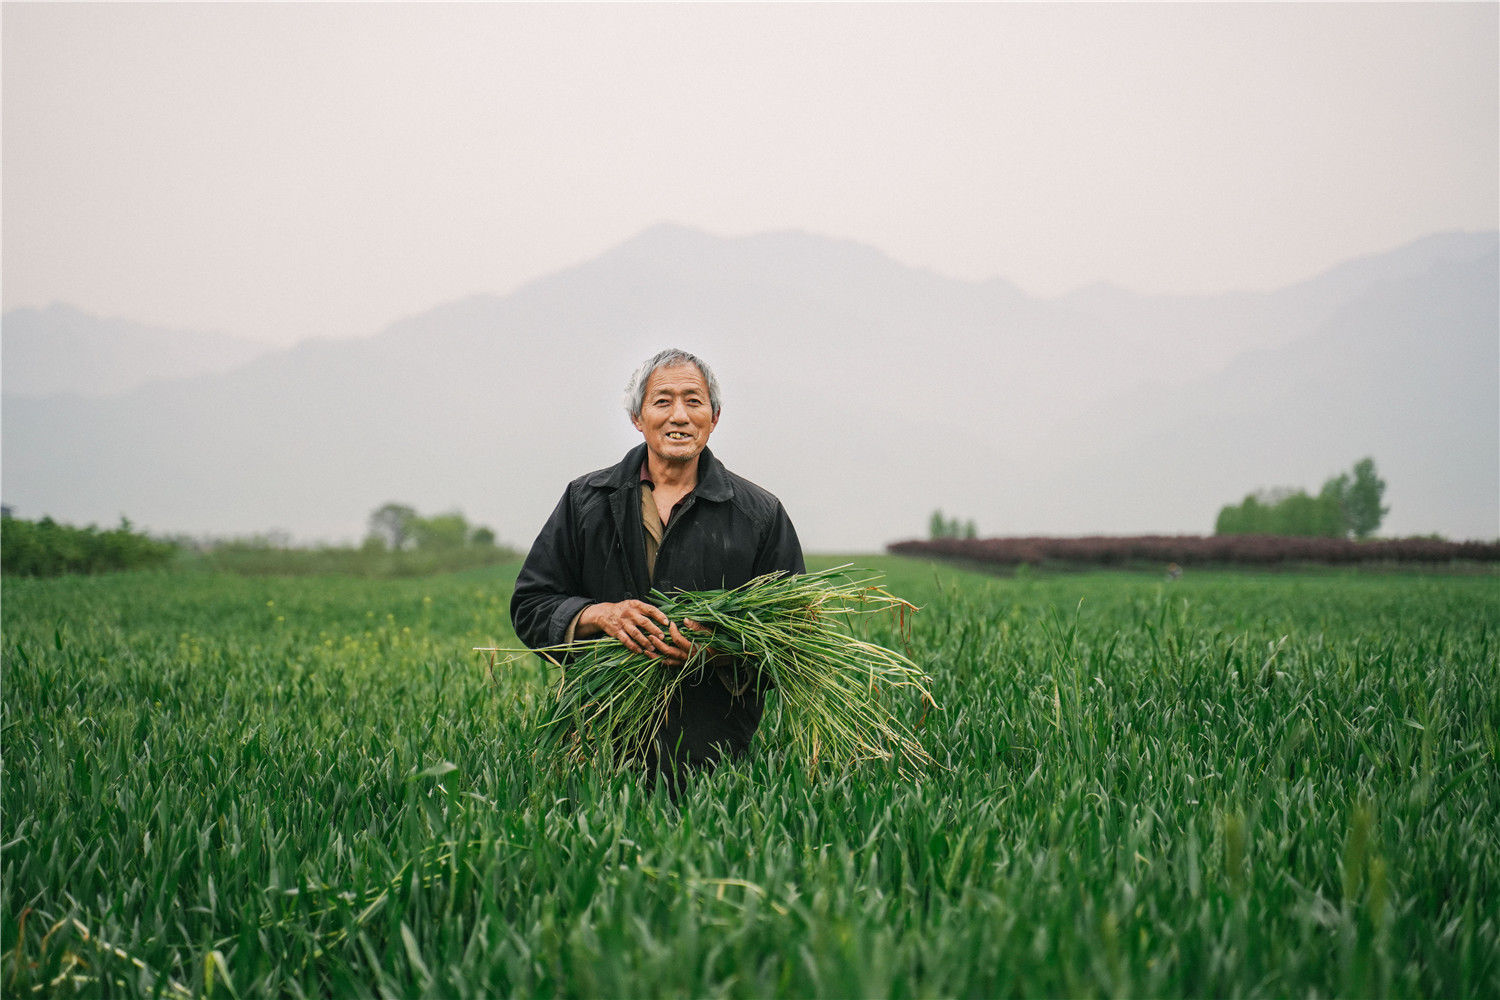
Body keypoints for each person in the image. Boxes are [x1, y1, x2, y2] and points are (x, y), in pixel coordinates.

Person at [510, 348, 804, 789]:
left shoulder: (758, 515)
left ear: (715, 417)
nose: (679, 416)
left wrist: (720, 649)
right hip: (599, 749)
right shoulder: (585, 502)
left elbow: (795, 634)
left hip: (716, 760)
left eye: (694, 401)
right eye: (663, 402)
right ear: (638, 418)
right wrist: (600, 616)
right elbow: (531, 605)